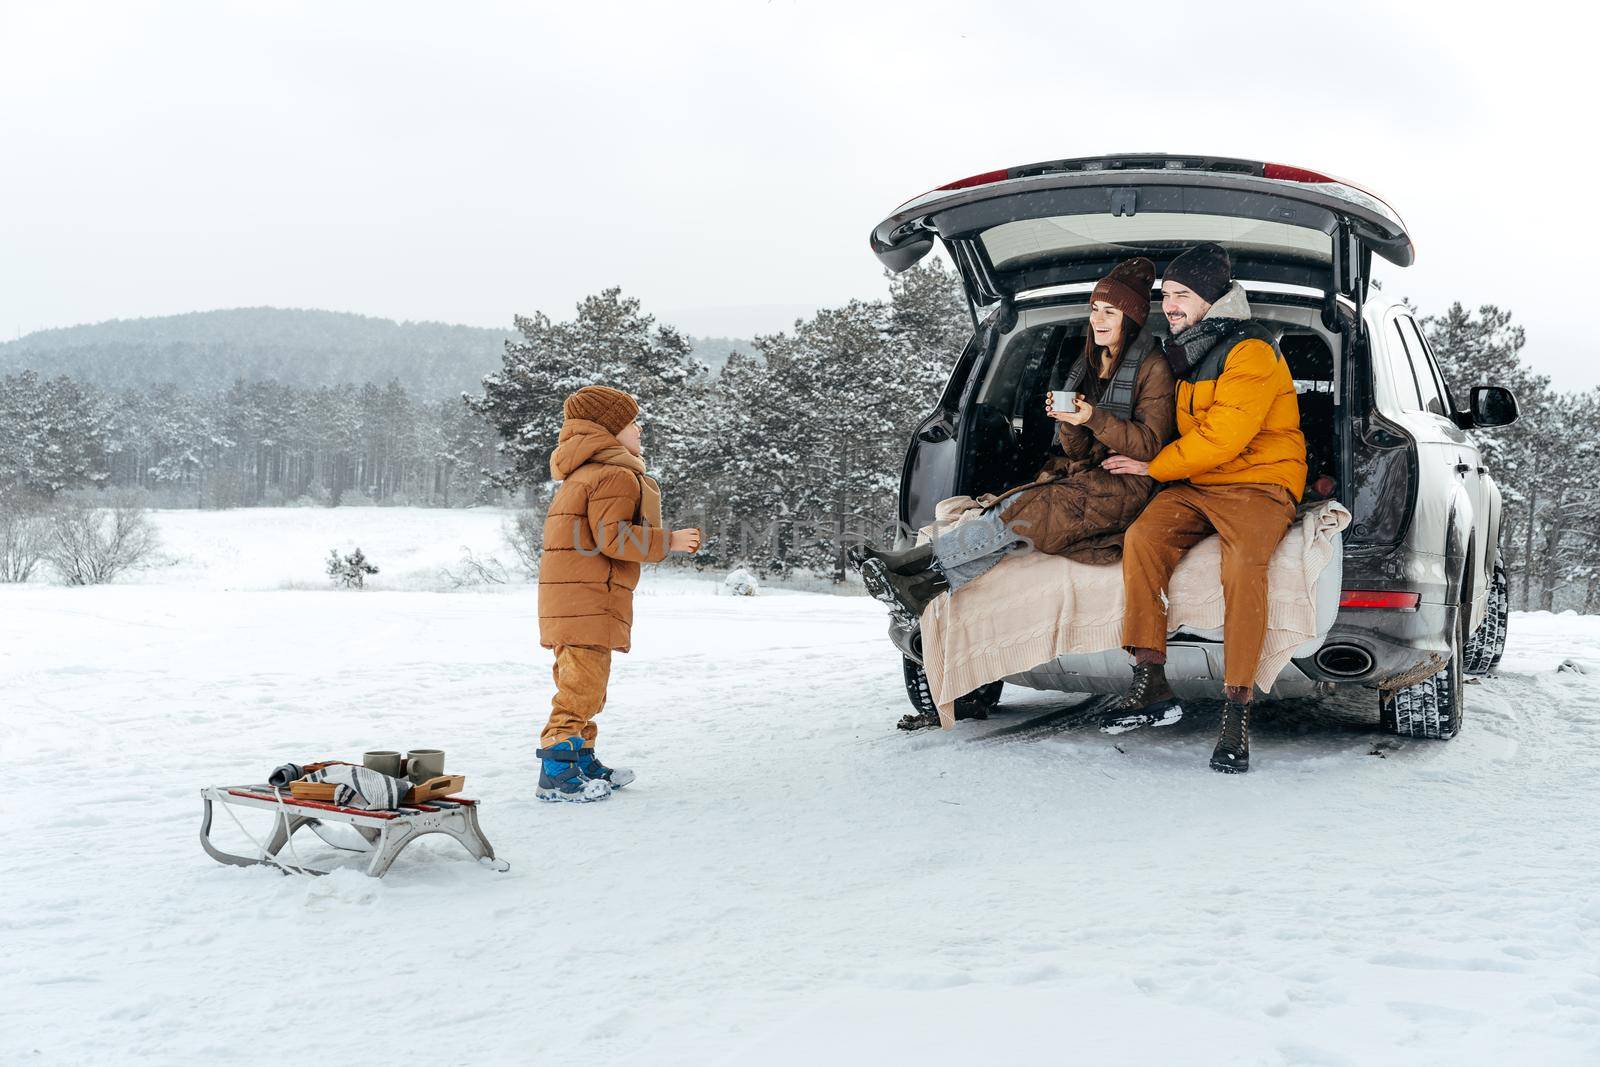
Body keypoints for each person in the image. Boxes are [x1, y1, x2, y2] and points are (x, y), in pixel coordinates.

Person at [852, 256, 1177, 625]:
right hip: (1087, 474)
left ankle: (910, 562)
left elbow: (1150, 443)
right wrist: (1069, 422)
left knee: (1022, 512)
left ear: (1130, 319)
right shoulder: (1090, 362)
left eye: (1109, 313)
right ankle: (919, 589)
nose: (1097, 321)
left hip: (1130, 485)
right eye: (1095, 310)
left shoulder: (1154, 367)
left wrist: (1092, 417)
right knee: (1014, 518)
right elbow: (1078, 451)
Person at [1101, 243, 1307, 774]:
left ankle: (1236, 708)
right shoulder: (1186, 348)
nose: (1170, 305)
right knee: (1144, 537)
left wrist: (1154, 467)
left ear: (1213, 300)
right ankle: (1151, 678)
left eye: (1182, 295)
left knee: (1242, 567)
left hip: (1259, 483)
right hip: (1200, 481)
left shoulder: (1251, 351)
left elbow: (1224, 436)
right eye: (1166, 295)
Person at [535, 385, 702, 802]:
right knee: (580, 688)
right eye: (631, 423)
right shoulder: (613, 474)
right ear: (608, 430)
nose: (639, 429)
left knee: (587, 684)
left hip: (578, 599)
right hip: (588, 598)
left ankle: (583, 758)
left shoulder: (584, 473)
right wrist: (670, 541)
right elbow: (613, 538)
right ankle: (557, 771)